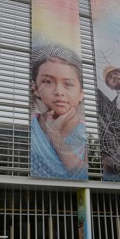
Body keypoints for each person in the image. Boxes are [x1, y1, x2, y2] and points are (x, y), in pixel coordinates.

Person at [30, 44, 88, 180]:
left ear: (80, 93)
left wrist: (54, 136)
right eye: (48, 82)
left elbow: (82, 174)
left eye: (68, 84)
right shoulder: (32, 125)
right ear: (35, 88)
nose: (59, 92)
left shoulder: (83, 129)